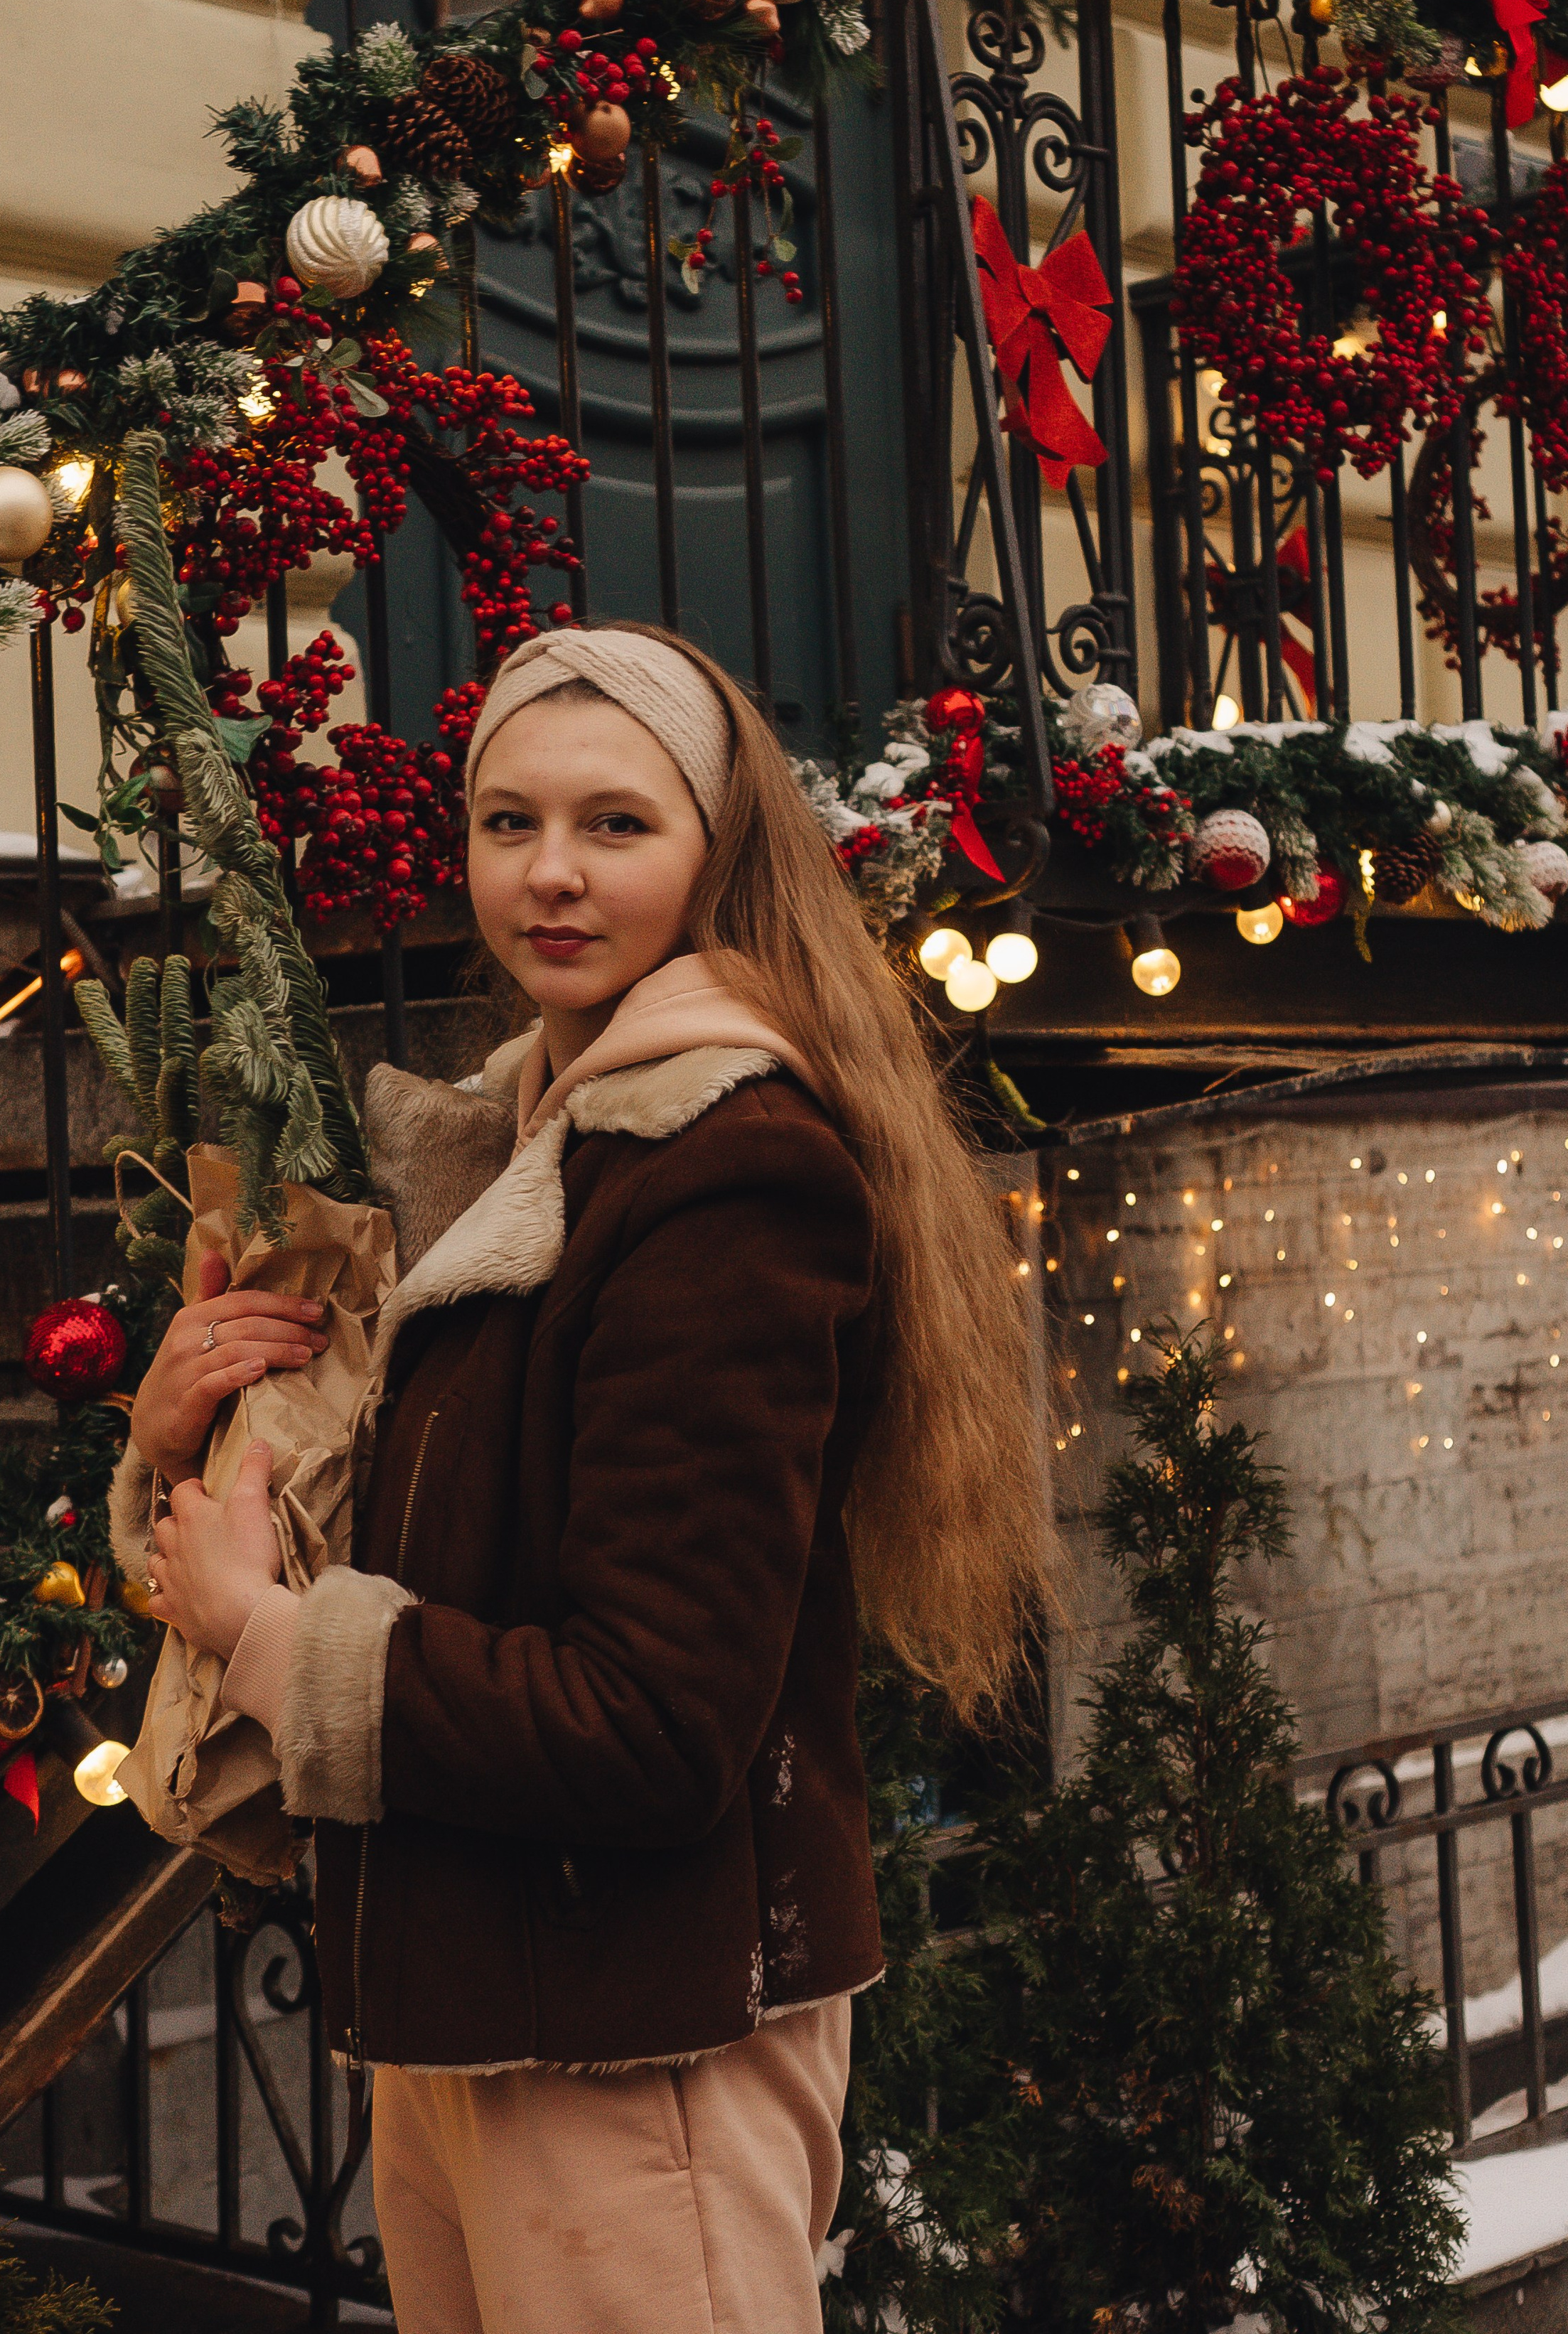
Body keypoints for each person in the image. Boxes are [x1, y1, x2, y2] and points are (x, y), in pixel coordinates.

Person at [115, 623, 1049, 2334]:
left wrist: (267, 1635)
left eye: (615, 823)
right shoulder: (517, 1144)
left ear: (716, 851)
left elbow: (652, 1722)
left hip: (642, 2041)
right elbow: (454, 1549)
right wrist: (192, 1444)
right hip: (482, 2005)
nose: (549, 873)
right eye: (509, 823)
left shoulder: (722, 1168)